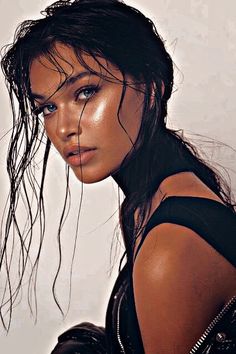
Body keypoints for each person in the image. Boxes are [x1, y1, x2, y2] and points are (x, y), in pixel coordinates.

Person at [1, 0, 236, 353]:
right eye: (48, 108)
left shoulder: (171, 246)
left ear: (152, 86)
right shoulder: (147, 205)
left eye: (85, 92)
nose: (63, 128)